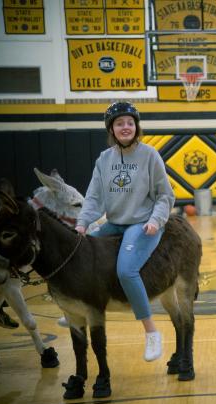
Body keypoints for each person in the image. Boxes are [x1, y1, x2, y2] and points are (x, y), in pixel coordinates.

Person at [75, 101, 175, 361]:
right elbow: (94, 197)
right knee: (77, 255)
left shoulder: (150, 155)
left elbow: (165, 195)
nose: (126, 127)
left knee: (126, 270)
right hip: (115, 222)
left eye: (130, 122)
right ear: (111, 129)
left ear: (136, 126)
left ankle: (152, 332)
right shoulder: (104, 159)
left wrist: (156, 220)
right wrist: (83, 223)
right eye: (120, 123)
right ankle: (83, 310)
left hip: (141, 224)